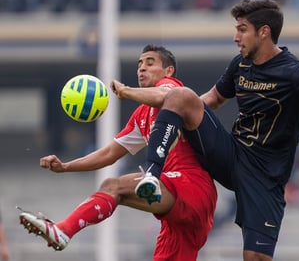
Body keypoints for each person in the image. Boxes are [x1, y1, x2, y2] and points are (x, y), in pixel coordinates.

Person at [111, 0, 299, 261]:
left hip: (265, 177)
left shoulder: (294, 71)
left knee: (256, 257)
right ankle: (152, 176)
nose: (236, 37)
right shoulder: (239, 65)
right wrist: (178, 110)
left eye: (242, 29)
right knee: (182, 96)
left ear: (264, 32)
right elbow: (211, 99)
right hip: (231, 155)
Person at [18, 45, 217, 261]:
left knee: (113, 186)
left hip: (191, 186)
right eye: (139, 64)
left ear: (168, 71)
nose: (142, 69)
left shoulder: (172, 90)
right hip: (175, 206)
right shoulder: (142, 115)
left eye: (150, 63)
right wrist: (66, 166)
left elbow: (165, 94)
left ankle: (64, 230)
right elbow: (108, 154)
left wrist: (126, 91)